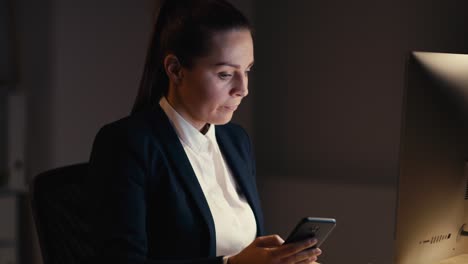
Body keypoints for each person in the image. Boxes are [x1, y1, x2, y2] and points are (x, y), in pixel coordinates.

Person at [87, 0, 323, 263]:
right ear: (175, 70)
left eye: (247, 70)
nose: (242, 89)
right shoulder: (126, 144)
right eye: (225, 74)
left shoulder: (236, 141)